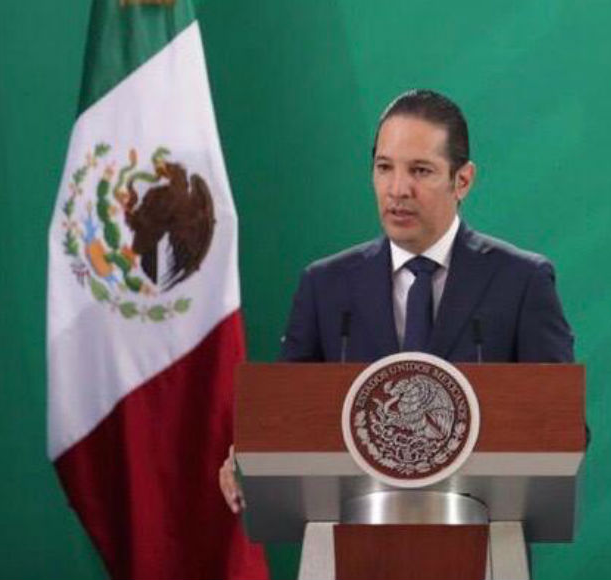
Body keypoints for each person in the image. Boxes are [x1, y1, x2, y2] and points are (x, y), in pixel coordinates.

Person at [220, 89, 574, 512]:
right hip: (352, 546)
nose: (397, 189)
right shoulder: (325, 285)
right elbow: (288, 420)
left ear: (462, 180)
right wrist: (253, 451)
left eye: (420, 170)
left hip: (483, 545)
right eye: (384, 168)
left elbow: (564, 428)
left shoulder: (521, 281)